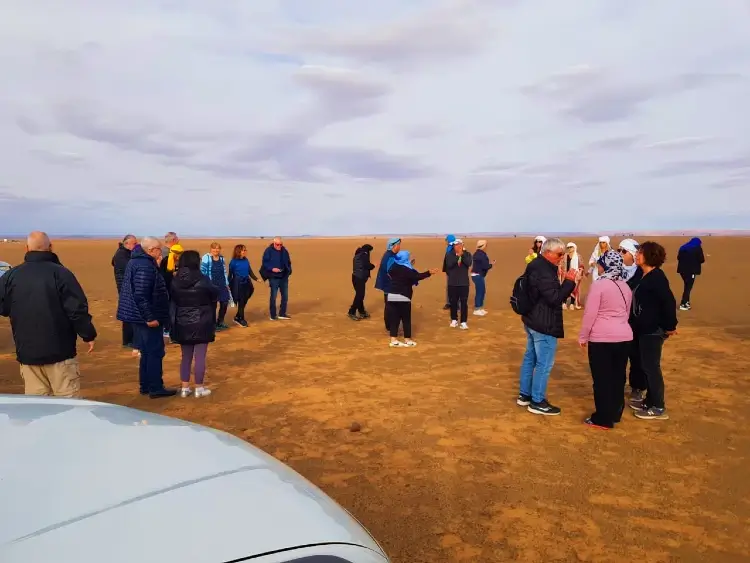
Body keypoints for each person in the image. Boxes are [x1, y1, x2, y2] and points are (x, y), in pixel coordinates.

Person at [0, 231, 97, 397]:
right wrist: (88, 335)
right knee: (67, 401)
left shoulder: (12, 275)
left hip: (28, 352)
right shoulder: (62, 274)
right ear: (50, 248)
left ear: (27, 248)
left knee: (37, 403)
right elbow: (77, 309)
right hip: (59, 352)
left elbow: (3, 307)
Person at [517, 238, 578, 416]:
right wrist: (569, 282)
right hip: (543, 324)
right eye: (559, 254)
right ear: (548, 252)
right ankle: (537, 401)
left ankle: (525, 395)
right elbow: (554, 298)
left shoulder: (536, 265)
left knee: (530, 358)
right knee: (544, 363)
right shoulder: (544, 270)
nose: (561, 258)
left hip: (532, 320)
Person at [578, 250, 633, 429]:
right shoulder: (625, 286)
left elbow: (590, 313)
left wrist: (583, 336)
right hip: (624, 337)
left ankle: (602, 418)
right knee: (618, 377)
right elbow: (627, 312)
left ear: (606, 265)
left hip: (602, 339)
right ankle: (615, 413)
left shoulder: (599, 285)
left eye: (601, 263)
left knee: (602, 379)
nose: (599, 266)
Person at [117, 236, 176, 398]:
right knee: (155, 352)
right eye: (158, 249)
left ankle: (146, 385)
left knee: (146, 351)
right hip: (145, 317)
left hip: (137, 316)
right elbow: (141, 295)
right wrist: (149, 317)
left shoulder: (136, 261)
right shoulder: (144, 266)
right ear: (150, 250)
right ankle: (155, 387)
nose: (160, 251)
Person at [629, 241, 678, 421]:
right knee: (645, 366)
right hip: (643, 329)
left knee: (651, 367)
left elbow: (669, 302)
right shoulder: (643, 275)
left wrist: (670, 326)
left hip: (652, 330)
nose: (636, 255)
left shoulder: (657, 277)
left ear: (649, 256)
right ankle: (650, 401)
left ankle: (658, 407)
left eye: (640, 253)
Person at [170, 250, 219, 398]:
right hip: (202, 321)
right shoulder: (204, 280)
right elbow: (214, 294)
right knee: (200, 357)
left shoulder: (174, 281)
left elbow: (172, 298)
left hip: (182, 321)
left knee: (186, 356)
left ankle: (185, 388)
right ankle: (199, 387)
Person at [385, 250, 439, 347]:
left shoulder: (392, 267)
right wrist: (429, 272)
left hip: (391, 296)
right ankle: (407, 340)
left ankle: (393, 340)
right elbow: (416, 276)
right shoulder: (407, 270)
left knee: (394, 319)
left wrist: (409, 264)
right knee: (406, 319)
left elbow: (400, 272)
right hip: (403, 297)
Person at [618, 238, 646, 401]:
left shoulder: (642, 273)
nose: (620, 254)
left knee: (637, 356)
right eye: (619, 251)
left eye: (624, 251)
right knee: (619, 355)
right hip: (619, 321)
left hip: (636, 321)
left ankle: (637, 386)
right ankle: (618, 384)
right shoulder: (616, 270)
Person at [112, 234, 137, 350]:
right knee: (128, 314)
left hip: (127, 287)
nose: (136, 245)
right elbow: (130, 268)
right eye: (134, 243)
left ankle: (131, 339)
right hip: (125, 288)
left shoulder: (125, 253)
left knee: (131, 313)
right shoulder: (121, 255)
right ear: (126, 244)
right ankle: (127, 341)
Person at [261, 236, 292, 320]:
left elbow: (288, 262)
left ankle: (282, 313)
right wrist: (272, 268)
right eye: (277, 244)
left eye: (280, 244)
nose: (279, 246)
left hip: (284, 277)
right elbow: (265, 263)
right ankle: (273, 315)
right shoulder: (268, 251)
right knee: (273, 296)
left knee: (285, 296)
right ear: (274, 243)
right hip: (274, 277)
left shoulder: (284, 251)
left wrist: (289, 270)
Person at [201, 242, 231, 330]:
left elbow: (224, 272)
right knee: (212, 305)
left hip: (222, 284)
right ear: (211, 249)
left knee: (225, 302)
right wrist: (205, 284)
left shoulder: (222, 258)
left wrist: (226, 283)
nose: (216, 250)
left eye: (218, 248)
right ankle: (212, 324)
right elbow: (203, 271)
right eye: (214, 248)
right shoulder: (206, 258)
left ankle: (220, 321)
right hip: (211, 285)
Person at [444, 238, 473, 329]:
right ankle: (454, 320)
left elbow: (469, 263)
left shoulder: (467, 254)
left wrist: (462, 255)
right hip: (452, 283)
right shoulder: (449, 255)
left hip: (464, 283)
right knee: (453, 302)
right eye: (455, 245)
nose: (457, 247)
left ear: (462, 245)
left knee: (464, 303)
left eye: (459, 245)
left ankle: (463, 321)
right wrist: (457, 256)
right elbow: (449, 265)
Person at [228, 244, 259, 327]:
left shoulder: (246, 260)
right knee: (241, 301)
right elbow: (230, 275)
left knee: (247, 296)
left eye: (245, 250)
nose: (245, 251)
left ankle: (238, 316)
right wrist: (227, 284)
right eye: (243, 250)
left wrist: (256, 279)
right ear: (238, 251)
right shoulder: (233, 262)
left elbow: (250, 271)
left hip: (247, 282)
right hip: (238, 283)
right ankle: (241, 318)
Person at [374, 237, 401, 331]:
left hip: (389, 285)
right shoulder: (389, 256)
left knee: (390, 305)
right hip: (390, 286)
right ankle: (390, 326)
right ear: (393, 246)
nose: (399, 247)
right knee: (391, 306)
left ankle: (390, 325)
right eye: (398, 245)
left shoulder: (391, 255)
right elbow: (390, 271)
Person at [677, 237, 705, 311]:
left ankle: (686, 302)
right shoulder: (697, 248)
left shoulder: (682, 247)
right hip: (691, 271)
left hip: (682, 271)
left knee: (687, 286)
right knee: (688, 287)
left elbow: (678, 257)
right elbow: (702, 260)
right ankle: (683, 303)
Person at [349, 244, 375, 321]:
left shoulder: (358, 254)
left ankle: (362, 311)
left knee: (359, 295)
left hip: (355, 277)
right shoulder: (364, 255)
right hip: (359, 278)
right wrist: (374, 265)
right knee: (360, 295)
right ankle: (351, 311)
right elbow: (367, 265)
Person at [471, 240, 495, 316]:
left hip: (477, 275)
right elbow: (485, 266)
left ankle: (480, 308)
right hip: (477, 275)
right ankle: (477, 309)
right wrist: (491, 264)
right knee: (480, 292)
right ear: (483, 246)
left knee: (482, 291)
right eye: (486, 245)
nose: (486, 247)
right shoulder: (481, 254)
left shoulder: (478, 253)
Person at [559, 242, 584, 310]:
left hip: (575, 276)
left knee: (574, 289)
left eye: (571, 247)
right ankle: (564, 302)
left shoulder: (578, 256)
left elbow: (581, 265)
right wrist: (560, 270)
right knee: (565, 289)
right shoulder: (565, 256)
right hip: (565, 275)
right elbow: (560, 264)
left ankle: (572, 304)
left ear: (574, 247)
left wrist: (579, 272)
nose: (569, 249)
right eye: (568, 247)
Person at [442, 234, 457, 309]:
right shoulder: (448, 248)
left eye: (447, 240)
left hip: (455, 272)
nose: (446, 241)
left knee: (456, 287)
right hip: (449, 271)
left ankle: (456, 304)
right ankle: (448, 303)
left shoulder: (456, 248)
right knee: (449, 287)